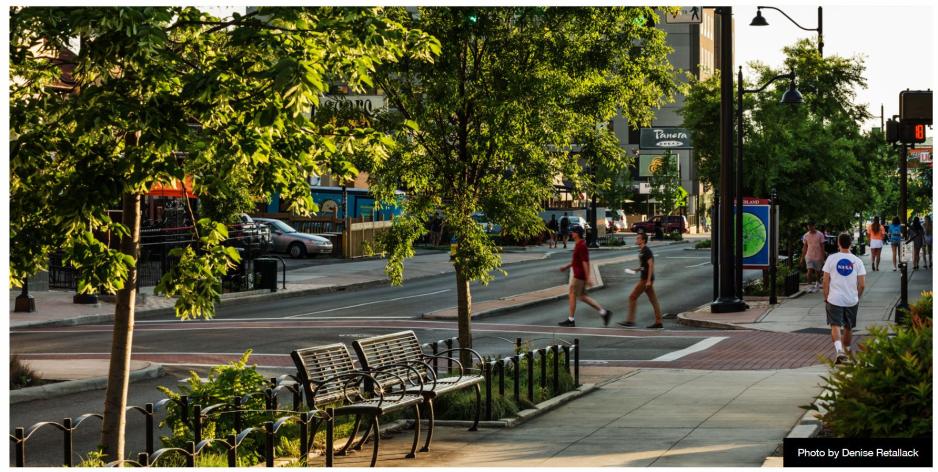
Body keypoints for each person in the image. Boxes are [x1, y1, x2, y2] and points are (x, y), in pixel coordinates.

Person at [822, 232, 866, 364]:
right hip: (851, 299)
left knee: (835, 324)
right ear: (851, 244)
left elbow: (825, 281)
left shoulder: (831, 259)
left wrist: (826, 296)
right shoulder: (857, 261)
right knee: (848, 326)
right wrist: (856, 296)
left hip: (834, 298)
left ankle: (839, 351)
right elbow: (862, 284)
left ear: (838, 244)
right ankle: (846, 352)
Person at [557, 225, 612, 327]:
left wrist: (588, 277)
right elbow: (576, 261)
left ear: (577, 234)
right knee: (582, 297)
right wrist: (566, 266)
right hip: (578, 275)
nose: (571, 233)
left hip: (579, 276)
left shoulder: (582, 246)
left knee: (573, 294)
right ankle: (604, 312)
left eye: (573, 232)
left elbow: (585, 262)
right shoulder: (578, 244)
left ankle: (571, 320)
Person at [618, 231, 664, 329]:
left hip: (645, 279)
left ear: (643, 240)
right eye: (637, 238)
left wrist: (648, 280)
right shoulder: (642, 251)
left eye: (638, 238)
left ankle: (630, 321)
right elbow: (644, 266)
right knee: (653, 300)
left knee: (632, 297)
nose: (636, 240)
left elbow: (651, 265)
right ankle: (659, 322)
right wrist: (636, 270)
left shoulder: (647, 251)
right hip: (646, 278)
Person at [801, 222, 826, 293]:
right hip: (809, 256)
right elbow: (805, 247)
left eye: (811, 227)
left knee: (817, 272)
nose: (810, 229)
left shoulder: (820, 234)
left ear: (814, 226)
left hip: (818, 256)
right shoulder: (806, 235)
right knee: (809, 270)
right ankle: (809, 286)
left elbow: (822, 246)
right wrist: (802, 258)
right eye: (808, 227)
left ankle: (817, 285)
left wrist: (823, 256)